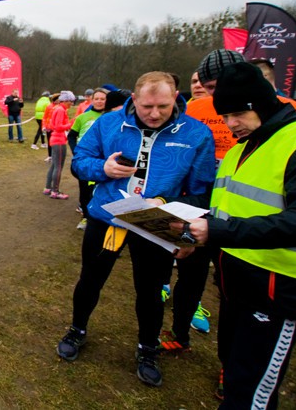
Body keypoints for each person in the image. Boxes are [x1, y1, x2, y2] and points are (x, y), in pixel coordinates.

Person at [57, 71, 215, 388]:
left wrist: (168, 209)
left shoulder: (197, 134)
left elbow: (203, 191)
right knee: (90, 279)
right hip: (108, 219)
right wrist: (102, 168)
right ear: (134, 100)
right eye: (147, 107)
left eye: (163, 106)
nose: (155, 113)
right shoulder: (109, 123)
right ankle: (77, 330)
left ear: (176, 99)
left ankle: (147, 349)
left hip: (156, 223)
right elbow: (79, 161)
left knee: (151, 290)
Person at [177, 62, 296, 407]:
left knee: (250, 391)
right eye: (224, 115)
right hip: (235, 283)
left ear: (259, 103)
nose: (229, 125)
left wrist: (214, 230)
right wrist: (183, 230)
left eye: (236, 115)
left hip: (277, 290)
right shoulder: (241, 147)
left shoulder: (294, 142)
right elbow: (220, 208)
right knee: (233, 374)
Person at [68, 87, 108, 226]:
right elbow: (72, 135)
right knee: (84, 189)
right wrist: (76, 152)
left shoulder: (110, 117)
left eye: (102, 99)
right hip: (85, 160)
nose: (99, 101)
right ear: (91, 100)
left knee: (100, 189)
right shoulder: (82, 117)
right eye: (96, 98)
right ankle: (86, 216)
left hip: (103, 160)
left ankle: (100, 217)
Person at [44, 90, 75, 200]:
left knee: (54, 165)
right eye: (71, 101)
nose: (72, 104)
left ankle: (48, 188)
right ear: (66, 101)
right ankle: (55, 191)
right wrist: (71, 123)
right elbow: (57, 126)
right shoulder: (61, 110)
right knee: (58, 166)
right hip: (59, 140)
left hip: (55, 139)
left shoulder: (58, 109)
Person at [41, 92, 60, 161]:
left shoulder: (60, 107)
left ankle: (57, 156)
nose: (59, 100)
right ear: (54, 99)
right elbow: (45, 117)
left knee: (57, 142)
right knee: (50, 142)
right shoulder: (49, 106)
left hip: (57, 128)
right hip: (49, 127)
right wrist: (43, 126)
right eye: (58, 99)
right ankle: (50, 156)